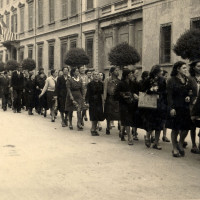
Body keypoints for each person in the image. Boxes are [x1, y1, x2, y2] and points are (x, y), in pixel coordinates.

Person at [166, 61, 195, 157]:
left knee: (186, 128)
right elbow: (169, 96)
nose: (186, 70)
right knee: (175, 129)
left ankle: (180, 143)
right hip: (176, 108)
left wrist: (189, 97)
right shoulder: (171, 80)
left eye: (186, 68)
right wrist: (171, 108)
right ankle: (174, 148)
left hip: (185, 107)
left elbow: (191, 92)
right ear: (178, 69)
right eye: (184, 68)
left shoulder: (187, 80)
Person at [141, 65, 167, 150]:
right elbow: (143, 90)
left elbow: (164, 91)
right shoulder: (148, 80)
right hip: (150, 105)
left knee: (159, 123)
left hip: (159, 104)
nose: (162, 72)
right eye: (161, 71)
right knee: (151, 122)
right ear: (156, 72)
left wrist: (160, 94)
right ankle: (148, 137)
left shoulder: (162, 80)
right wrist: (151, 91)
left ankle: (156, 142)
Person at [115, 69, 136, 145]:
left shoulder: (132, 83)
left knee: (127, 120)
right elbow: (116, 94)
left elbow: (133, 91)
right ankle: (129, 137)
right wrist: (125, 95)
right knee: (126, 120)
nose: (132, 75)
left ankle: (122, 132)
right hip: (123, 104)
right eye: (130, 74)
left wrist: (134, 94)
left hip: (131, 104)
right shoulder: (121, 83)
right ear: (127, 75)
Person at [86, 71, 104, 136]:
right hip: (92, 101)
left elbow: (102, 93)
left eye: (97, 75)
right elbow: (87, 94)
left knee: (98, 115)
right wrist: (87, 102)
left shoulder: (101, 84)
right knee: (93, 115)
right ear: (92, 76)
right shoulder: (90, 84)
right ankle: (93, 129)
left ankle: (94, 129)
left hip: (99, 101)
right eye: (95, 75)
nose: (96, 76)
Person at [104, 67, 120, 135]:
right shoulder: (107, 79)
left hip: (116, 99)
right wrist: (104, 98)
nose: (117, 72)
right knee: (109, 113)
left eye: (118, 70)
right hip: (109, 98)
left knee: (118, 113)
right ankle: (108, 127)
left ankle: (120, 127)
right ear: (112, 72)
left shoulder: (119, 80)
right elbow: (105, 89)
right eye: (116, 70)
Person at [189, 60, 200, 153]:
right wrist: (192, 98)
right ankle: (193, 144)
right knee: (193, 125)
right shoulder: (190, 79)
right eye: (198, 66)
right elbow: (187, 91)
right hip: (193, 104)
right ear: (193, 68)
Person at [161, 70, 170, 142]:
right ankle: (152, 135)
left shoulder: (167, 83)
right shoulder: (160, 83)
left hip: (166, 104)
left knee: (165, 120)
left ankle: (164, 135)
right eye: (165, 76)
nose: (166, 78)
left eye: (167, 76)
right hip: (161, 103)